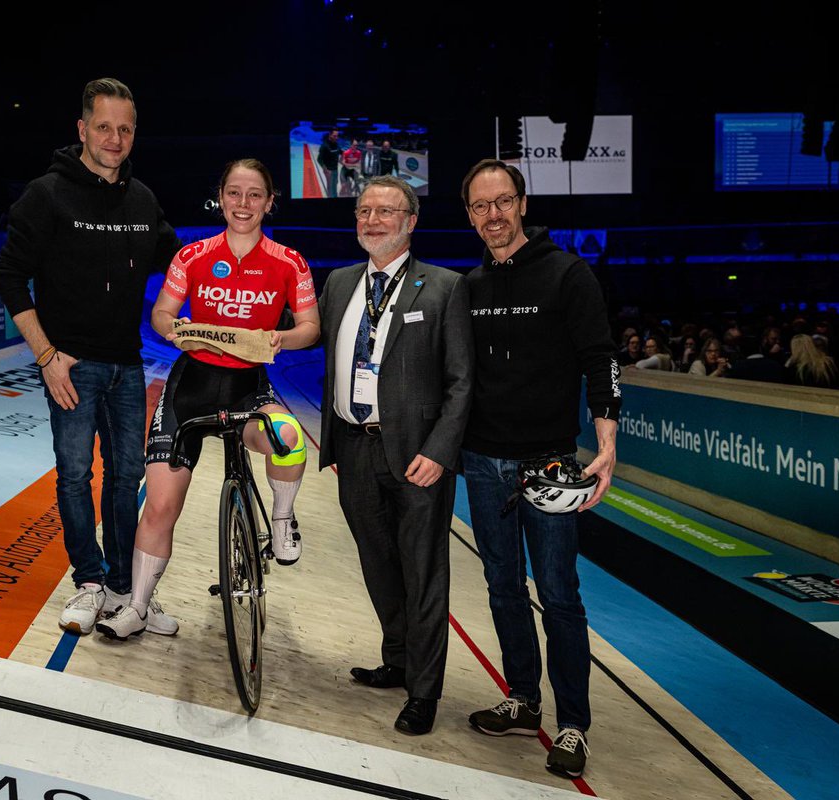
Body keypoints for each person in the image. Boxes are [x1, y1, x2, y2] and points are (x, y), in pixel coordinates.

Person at [97, 159, 319, 639]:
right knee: (159, 506)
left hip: (248, 386)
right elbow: (161, 314)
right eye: (234, 193)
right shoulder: (193, 254)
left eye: (254, 194)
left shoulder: (290, 261)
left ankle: (282, 521)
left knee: (289, 436)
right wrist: (178, 333)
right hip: (191, 387)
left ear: (269, 201)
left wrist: (280, 338)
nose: (243, 204)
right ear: (221, 197)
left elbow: (310, 327)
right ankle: (138, 605)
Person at [0, 78, 182, 637]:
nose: (115, 139)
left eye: (125, 129)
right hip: (71, 365)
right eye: (104, 127)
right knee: (75, 475)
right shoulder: (46, 194)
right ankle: (89, 582)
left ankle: (127, 592)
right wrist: (47, 356)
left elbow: (182, 261)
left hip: (126, 366)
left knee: (126, 477)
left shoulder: (143, 199)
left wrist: (240, 243)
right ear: (82, 129)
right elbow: (9, 278)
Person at [458, 159, 619, 779]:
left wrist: (605, 443)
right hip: (482, 460)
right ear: (470, 214)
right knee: (502, 588)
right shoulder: (469, 287)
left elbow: (599, 360)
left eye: (502, 202)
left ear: (522, 204)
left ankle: (573, 723)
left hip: (548, 463)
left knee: (558, 595)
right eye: (480, 206)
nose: (492, 215)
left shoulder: (567, 275)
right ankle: (523, 699)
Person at [318, 176, 474, 736]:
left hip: (417, 460)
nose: (373, 220)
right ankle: (398, 659)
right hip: (354, 450)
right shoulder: (337, 283)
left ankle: (424, 692)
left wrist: (440, 451)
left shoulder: (445, 287)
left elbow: (461, 383)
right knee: (377, 564)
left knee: (423, 573)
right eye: (364, 210)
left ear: (411, 221)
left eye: (387, 211)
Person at [318, 129, 342, 198]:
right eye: (334, 136)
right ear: (330, 135)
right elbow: (319, 159)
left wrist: (344, 158)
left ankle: (334, 195)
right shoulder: (324, 146)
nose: (336, 138)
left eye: (337, 136)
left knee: (335, 184)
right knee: (330, 186)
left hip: (335, 169)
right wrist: (325, 170)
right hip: (328, 170)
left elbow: (341, 152)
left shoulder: (336, 144)